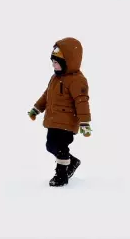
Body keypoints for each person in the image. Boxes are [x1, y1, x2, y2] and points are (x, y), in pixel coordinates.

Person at [27, 38, 91, 187]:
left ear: (68, 62)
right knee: (50, 146)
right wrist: (36, 109)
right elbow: (46, 96)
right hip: (53, 120)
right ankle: (72, 161)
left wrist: (85, 123)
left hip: (67, 122)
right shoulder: (55, 78)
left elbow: (82, 102)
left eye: (56, 62)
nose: (53, 65)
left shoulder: (77, 80)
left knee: (61, 148)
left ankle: (61, 176)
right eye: (52, 62)